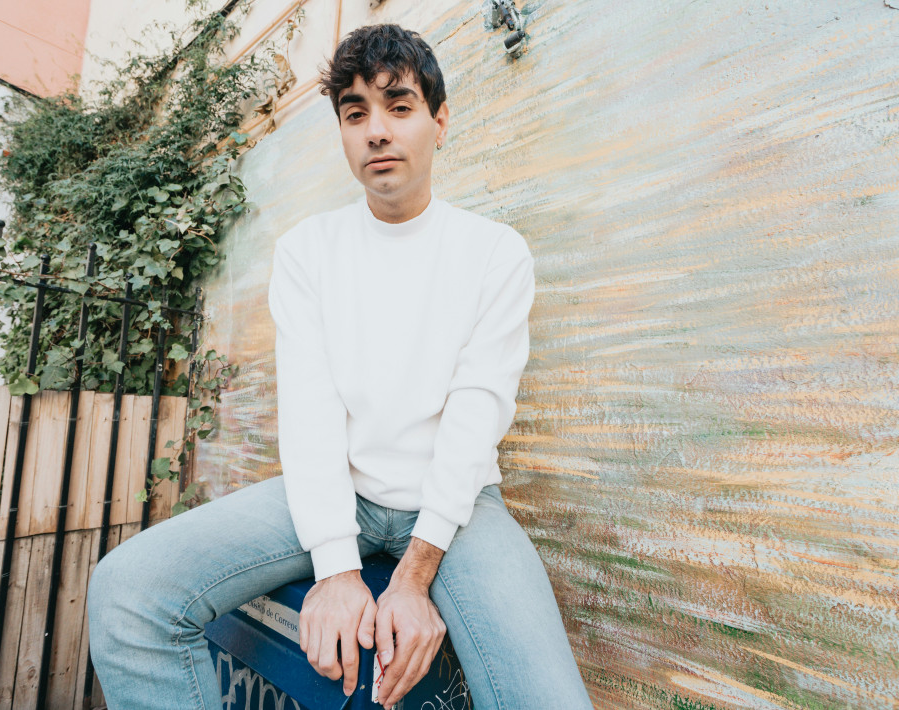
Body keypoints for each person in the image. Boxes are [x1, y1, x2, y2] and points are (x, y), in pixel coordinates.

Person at [87, 23, 594, 710]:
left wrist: (413, 577)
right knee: (126, 591)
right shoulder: (308, 252)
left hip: (460, 510)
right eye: (355, 114)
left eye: (399, 106)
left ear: (440, 121)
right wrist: (336, 570)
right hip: (336, 495)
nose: (376, 131)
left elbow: (478, 414)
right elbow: (311, 412)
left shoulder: (495, 253)